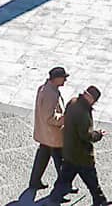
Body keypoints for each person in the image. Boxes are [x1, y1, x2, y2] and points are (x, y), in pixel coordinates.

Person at [52, 85, 110, 206]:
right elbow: (86, 135)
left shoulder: (73, 102)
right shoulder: (83, 113)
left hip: (69, 150)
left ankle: (54, 199)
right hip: (81, 154)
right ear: (92, 99)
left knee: (64, 179)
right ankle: (100, 201)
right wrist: (98, 134)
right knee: (91, 179)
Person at [28, 66, 69, 194]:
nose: (65, 80)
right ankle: (62, 189)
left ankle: (35, 182)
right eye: (63, 78)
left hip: (46, 134)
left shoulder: (44, 88)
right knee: (62, 162)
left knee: (43, 155)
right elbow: (50, 117)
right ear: (56, 79)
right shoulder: (51, 94)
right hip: (53, 135)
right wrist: (64, 119)